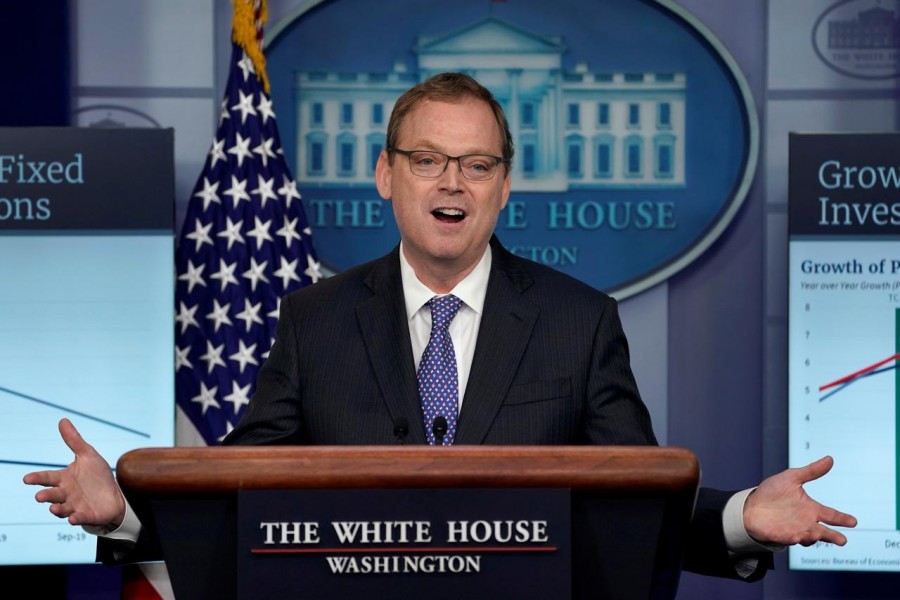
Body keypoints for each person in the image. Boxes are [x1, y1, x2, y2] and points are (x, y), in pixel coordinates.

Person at [24, 72, 856, 582]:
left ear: (503, 188)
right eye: (427, 159)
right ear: (387, 175)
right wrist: (125, 513)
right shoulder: (314, 321)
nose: (450, 182)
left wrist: (745, 515)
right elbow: (243, 494)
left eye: (477, 164)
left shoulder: (578, 322)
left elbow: (631, 503)